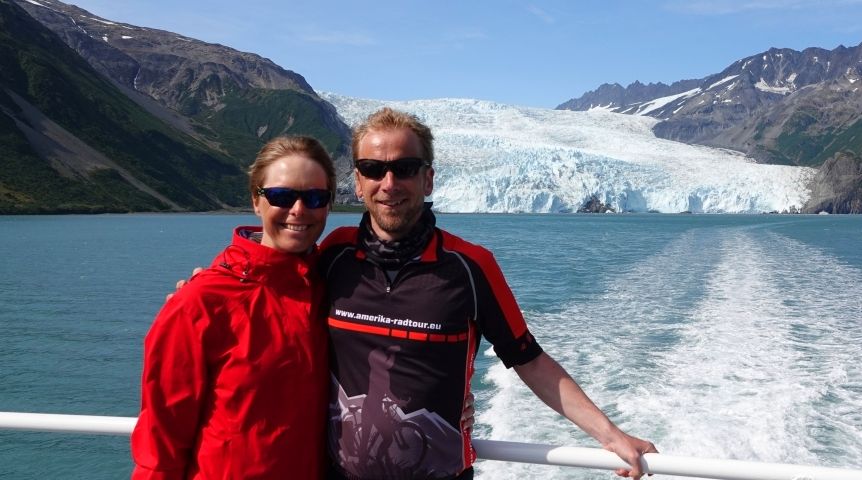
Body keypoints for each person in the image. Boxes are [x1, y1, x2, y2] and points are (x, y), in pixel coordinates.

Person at [319, 107, 658, 480]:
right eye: (372, 169)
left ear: (427, 179)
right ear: (357, 180)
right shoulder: (334, 256)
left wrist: (611, 436)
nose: (388, 183)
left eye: (405, 168)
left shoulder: (470, 267)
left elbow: (529, 360)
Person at [131, 136, 335, 479]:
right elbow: (160, 438)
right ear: (256, 200)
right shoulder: (200, 302)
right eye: (282, 196)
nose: (299, 210)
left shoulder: (333, 282)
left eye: (315, 197)